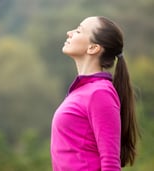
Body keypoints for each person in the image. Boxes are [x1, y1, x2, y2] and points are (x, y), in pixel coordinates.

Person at [50, 16, 140, 171]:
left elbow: (111, 163)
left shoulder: (100, 93)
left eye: (78, 31)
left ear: (93, 48)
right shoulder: (81, 91)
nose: (69, 33)